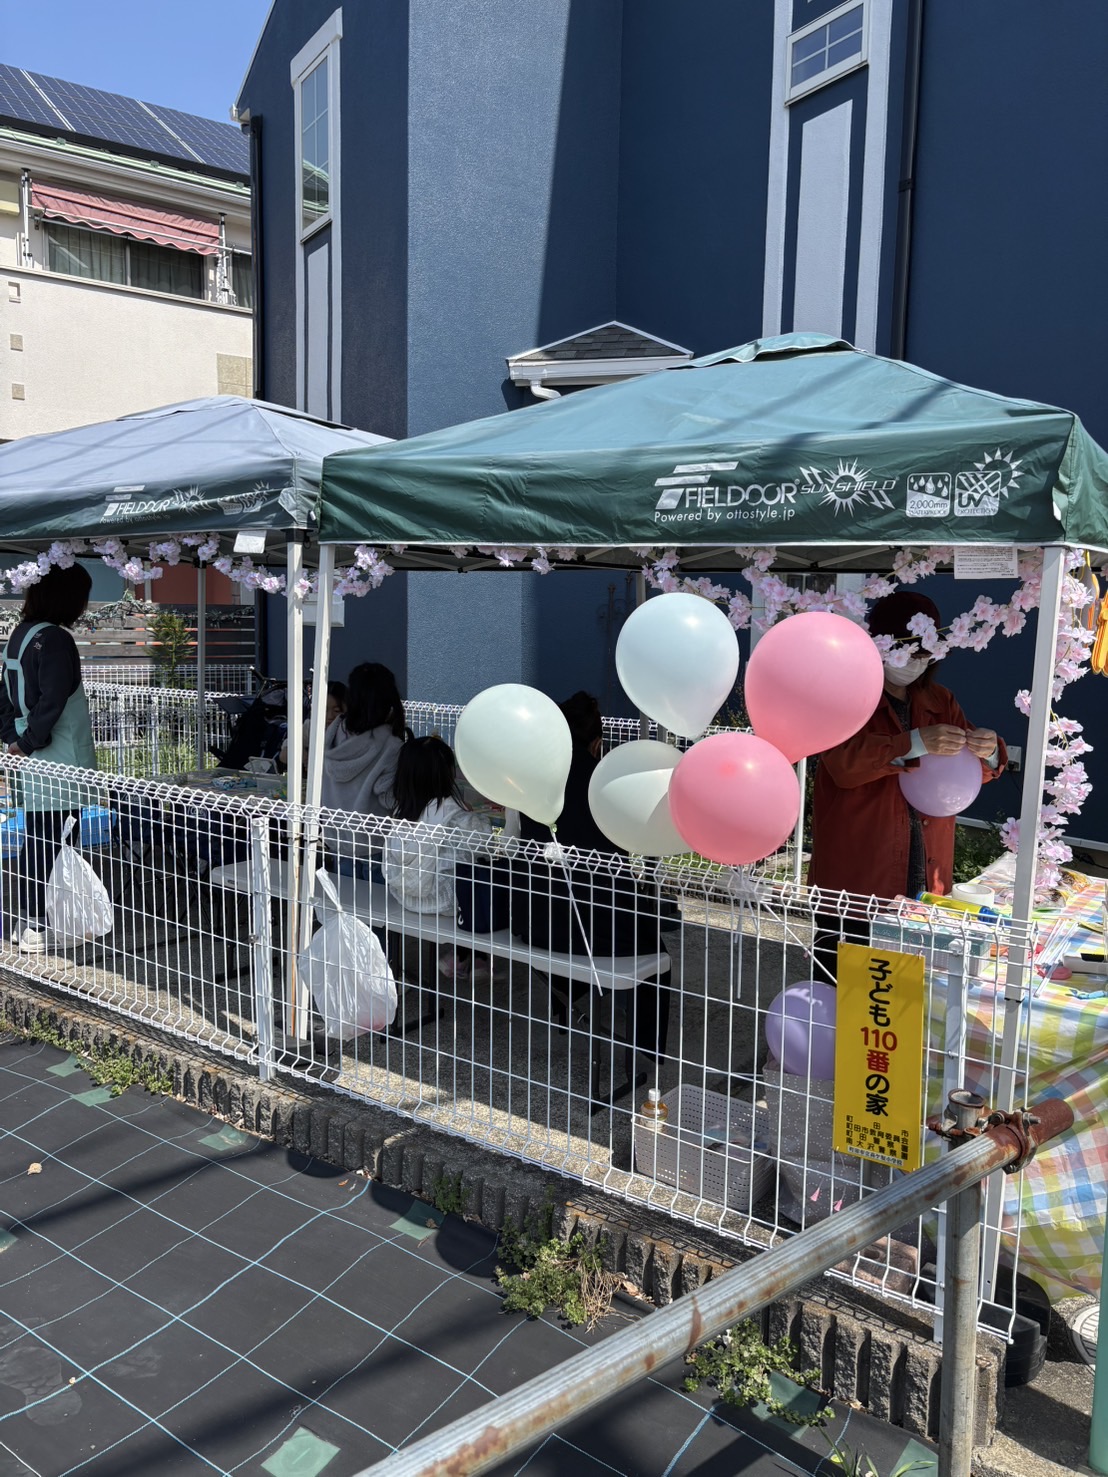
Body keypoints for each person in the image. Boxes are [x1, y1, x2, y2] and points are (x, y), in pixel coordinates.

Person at [807, 591, 1006, 961]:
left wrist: (989, 749)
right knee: (847, 974)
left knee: (913, 978)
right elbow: (843, 765)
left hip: (926, 860)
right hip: (859, 869)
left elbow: (967, 773)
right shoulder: (847, 696)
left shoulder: (939, 700)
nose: (914, 662)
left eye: (923, 655)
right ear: (879, 645)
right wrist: (913, 743)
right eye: (907, 651)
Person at [0, 564, 98, 952]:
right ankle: (41, 924)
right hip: (59, 757)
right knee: (57, 841)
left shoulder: (20, 635)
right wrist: (28, 742)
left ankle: (31, 920)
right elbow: (53, 700)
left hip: (29, 755)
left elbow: (4, 695)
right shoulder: (56, 638)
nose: (84, 606)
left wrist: (14, 740)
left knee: (39, 838)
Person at [383, 734, 507, 980]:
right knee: (485, 881)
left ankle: (465, 958)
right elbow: (486, 846)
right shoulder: (455, 816)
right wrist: (474, 817)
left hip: (405, 896)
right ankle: (472, 958)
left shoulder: (400, 812)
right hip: (446, 904)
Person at [280, 679, 346, 772]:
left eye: (336, 711)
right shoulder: (310, 727)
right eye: (324, 710)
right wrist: (303, 755)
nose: (330, 716)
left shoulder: (351, 733)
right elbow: (284, 755)